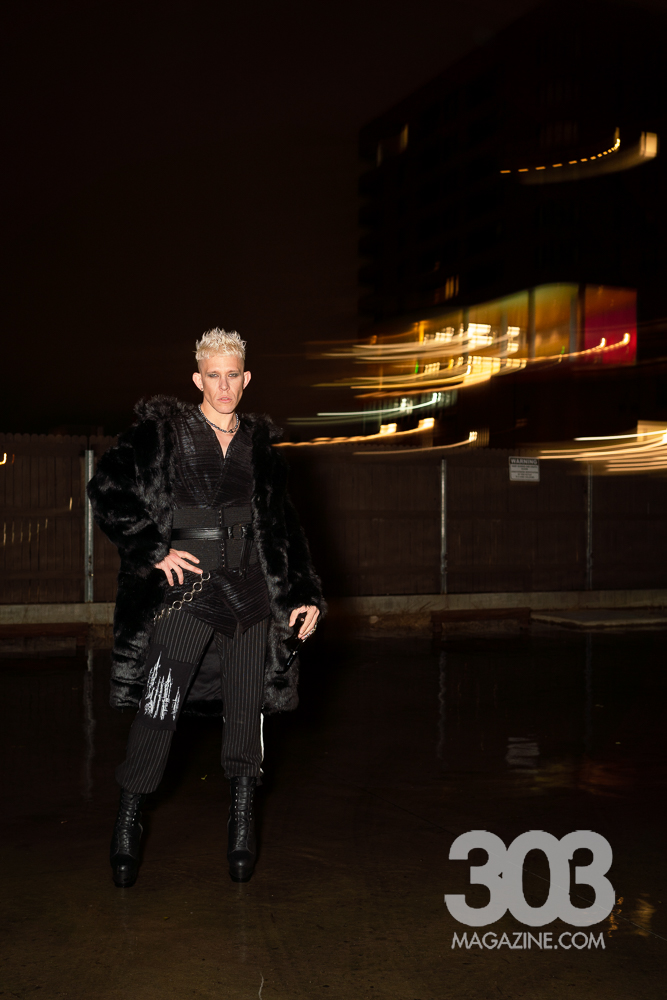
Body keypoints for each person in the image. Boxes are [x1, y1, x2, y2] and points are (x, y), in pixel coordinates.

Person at [88, 328, 324, 887]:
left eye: (232, 375)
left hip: (250, 594)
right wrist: (154, 549)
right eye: (213, 375)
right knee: (158, 707)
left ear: (246, 379)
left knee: (246, 713)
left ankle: (241, 821)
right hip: (185, 594)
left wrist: (303, 595)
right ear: (198, 378)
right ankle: (129, 816)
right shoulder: (162, 433)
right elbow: (107, 489)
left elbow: (284, 528)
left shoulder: (261, 449)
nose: (223, 386)